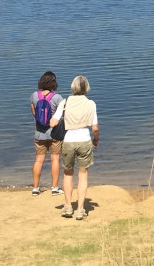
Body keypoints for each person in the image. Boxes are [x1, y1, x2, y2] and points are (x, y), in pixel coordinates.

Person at [51, 75, 98, 220]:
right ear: (86, 88)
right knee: (83, 174)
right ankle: (80, 209)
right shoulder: (91, 104)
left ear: (73, 87)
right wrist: (96, 139)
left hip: (69, 140)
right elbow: (95, 127)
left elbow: (53, 123)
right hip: (84, 139)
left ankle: (67, 206)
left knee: (68, 173)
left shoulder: (64, 103)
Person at [30, 71, 64, 196]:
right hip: (54, 134)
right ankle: (55, 188)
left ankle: (35, 188)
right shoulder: (57, 98)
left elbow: (34, 112)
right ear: (53, 84)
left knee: (38, 160)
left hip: (39, 133)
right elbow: (61, 116)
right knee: (55, 159)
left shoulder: (34, 95)